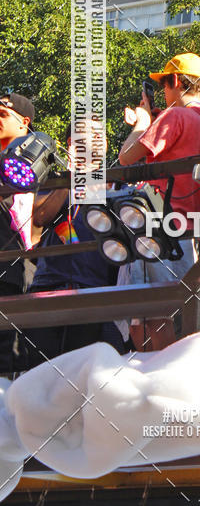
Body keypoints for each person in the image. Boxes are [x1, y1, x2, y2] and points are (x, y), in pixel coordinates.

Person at [118, 53, 200, 351]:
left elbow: (126, 158)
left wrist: (143, 121)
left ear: (175, 81)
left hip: (158, 226)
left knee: (150, 318)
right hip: (189, 230)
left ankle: (156, 382)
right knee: (181, 315)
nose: (163, 90)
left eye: (164, 83)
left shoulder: (174, 116)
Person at [25, 122, 129, 367]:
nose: (96, 139)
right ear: (72, 143)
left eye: (100, 134)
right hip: (48, 287)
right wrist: (70, 178)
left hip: (97, 293)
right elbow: (39, 218)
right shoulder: (55, 177)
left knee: (86, 377)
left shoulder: (116, 182)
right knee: (43, 376)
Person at [0, 94, 36, 372]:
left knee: (6, 355)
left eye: (2, 114)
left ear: (24, 122)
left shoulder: (33, 162)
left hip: (13, 266)